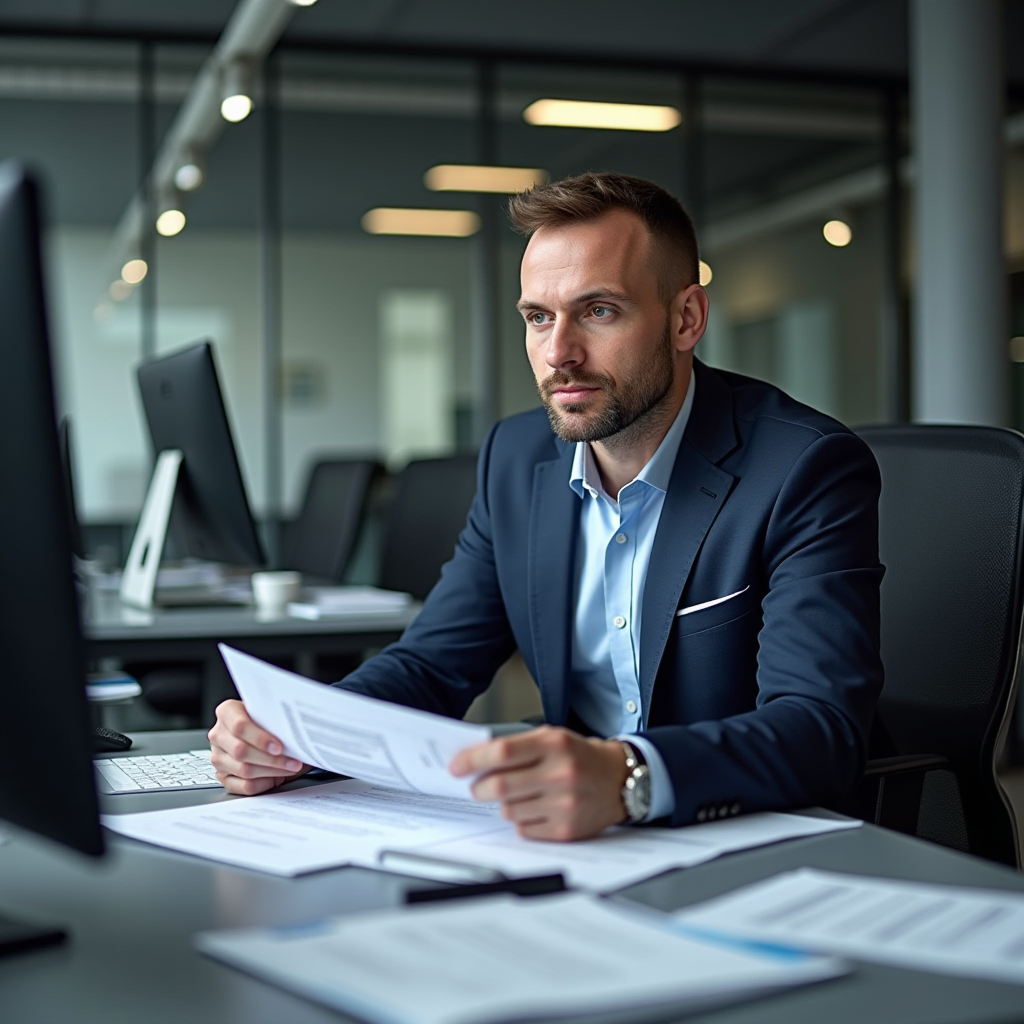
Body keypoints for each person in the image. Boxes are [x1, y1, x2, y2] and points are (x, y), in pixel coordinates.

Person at [210, 172, 884, 842]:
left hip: (737, 833)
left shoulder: (802, 467)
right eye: (538, 317)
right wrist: (297, 736)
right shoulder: (515, 457)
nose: (559, 353)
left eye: (599, 311)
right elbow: (434, 664)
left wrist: (627, 777)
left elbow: (819, 728)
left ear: (686, 319)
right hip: (579, 842)